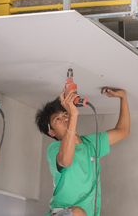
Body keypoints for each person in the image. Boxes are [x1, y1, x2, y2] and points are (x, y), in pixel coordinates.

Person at [35, 87, 130, 216]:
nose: (64, 118)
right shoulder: (55, 148)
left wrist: (123, 97)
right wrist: (73, 115)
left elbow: (123, 131)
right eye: (57, 119)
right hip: (64, 213)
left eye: (65, 114)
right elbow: (65, 161)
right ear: (51, 132)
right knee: (78, 213)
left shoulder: (90, 144)